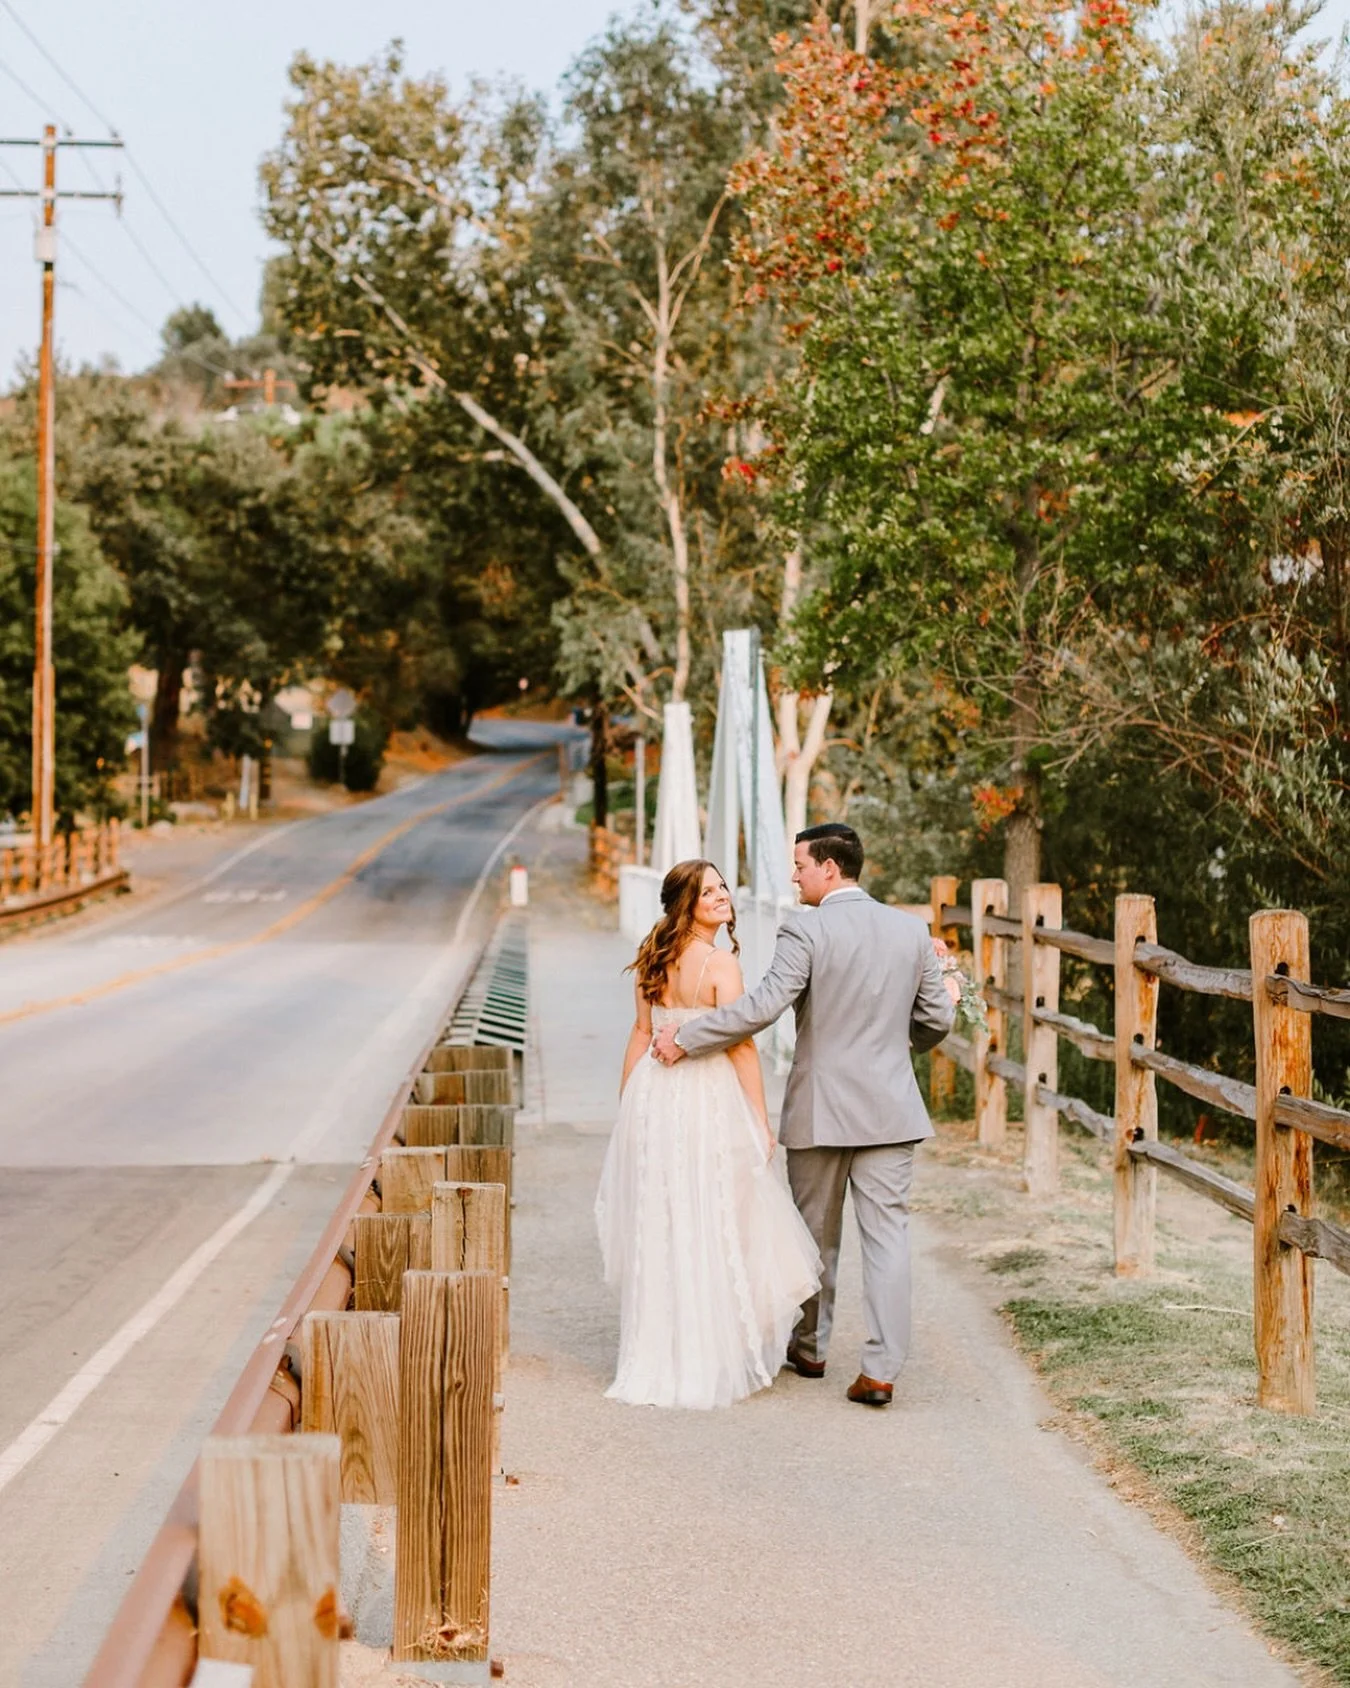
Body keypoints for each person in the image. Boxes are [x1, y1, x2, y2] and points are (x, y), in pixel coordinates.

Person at [651, 823, 957, 1408]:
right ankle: (881, 1372)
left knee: (814, 1238)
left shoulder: (806, 928)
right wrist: (897, 1047)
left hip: (822, 1109)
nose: (793, 877)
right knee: (888, 1241)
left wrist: (688, 1037)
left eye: (799, 866)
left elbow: (763, 1007)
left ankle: (811, 1348)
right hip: (892, 1110)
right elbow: (937, 1019)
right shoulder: (910, 930)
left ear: (829, 869)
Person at [595, 859, 821, 1410]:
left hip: (655, 1092)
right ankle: (709, 1350)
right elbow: (740, 1045)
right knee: (717, 1213)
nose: (722, 896)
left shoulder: (653, 954)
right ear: (687, 905)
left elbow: (641, 1033)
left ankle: (665, 1351)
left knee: (666, 1216)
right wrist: (760, 1119)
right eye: (708, 892)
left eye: (722, 887)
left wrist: (629, 1103)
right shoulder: (721, 963)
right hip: (705, 1096)